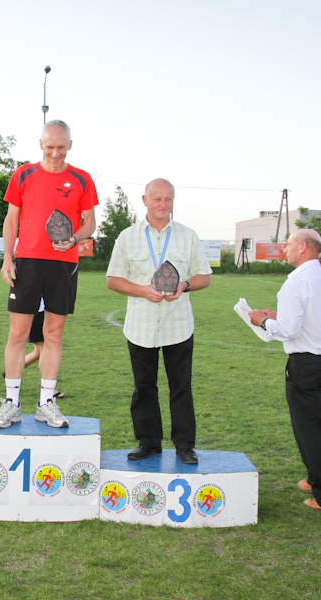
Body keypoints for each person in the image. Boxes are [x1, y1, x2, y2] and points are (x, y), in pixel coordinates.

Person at [0, 120, 98, 429]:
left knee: (54, 333)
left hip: (63, 264)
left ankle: (46, 403)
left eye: (61, 147)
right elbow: (11, 220)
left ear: (70, 145)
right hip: (27, 263)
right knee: (17, 334)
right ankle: (11, 403)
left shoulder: (82, 178)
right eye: (50, 147)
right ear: (41, 144)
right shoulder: (23, 174)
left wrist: (74, 239)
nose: (55, 153)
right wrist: (7, 258)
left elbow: (90, 223)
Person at [106, 178, 212, 464]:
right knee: (144, 387)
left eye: (169, 199)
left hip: (179, 325)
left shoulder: (188, 235)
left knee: (181, 387)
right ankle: (148, 443)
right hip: (140, 325)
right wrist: (143, 291)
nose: (163, 204)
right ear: (145, 200)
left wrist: (185, 285)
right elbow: (113, 280)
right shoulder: (127, 237)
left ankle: (185, 446)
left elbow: (205, 276)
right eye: (157, 199)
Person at [248, 229, 321, 516]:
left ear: (303, 247)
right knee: (310, 424)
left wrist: (263, 322)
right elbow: (314, 320)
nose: (285, 249)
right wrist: (277, 318)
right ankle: (316, 480)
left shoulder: (296, 281)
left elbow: (289, 331)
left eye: (289, 244)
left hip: (307, 364)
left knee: (308, 429)